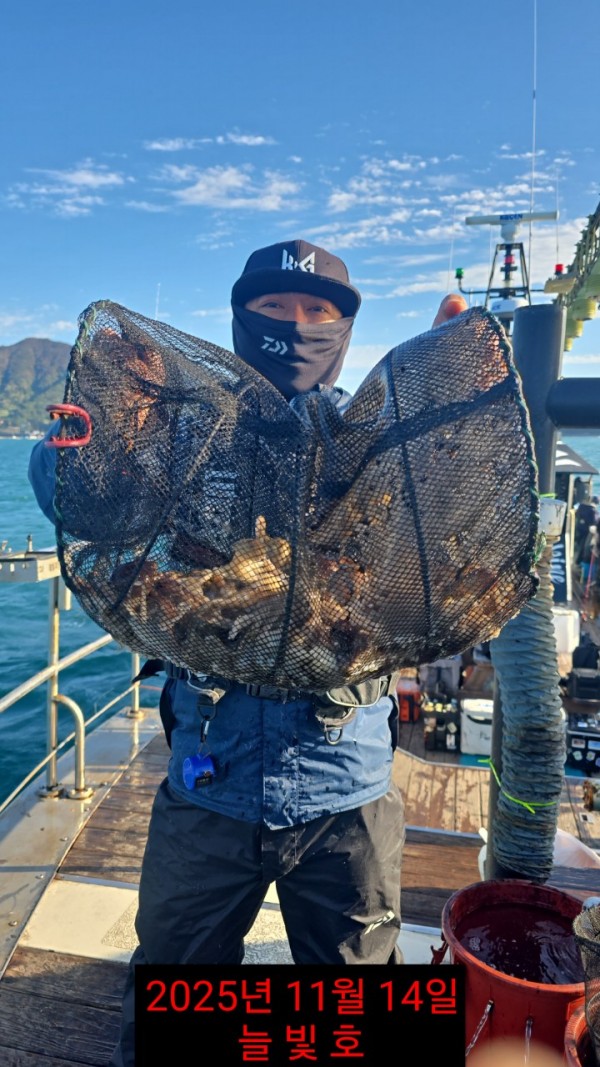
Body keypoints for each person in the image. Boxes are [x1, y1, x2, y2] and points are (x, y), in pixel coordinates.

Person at [28, 239, 467, 1067]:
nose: (294, 326)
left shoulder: (375, 440)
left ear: (343, 328)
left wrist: (455, 412)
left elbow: (445, 532)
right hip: (209, 781)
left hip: (347, 788)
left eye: (316, 312)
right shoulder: (190, 432)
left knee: (356, 1010)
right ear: (240, 319)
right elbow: (80, 496)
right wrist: (82, 445)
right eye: (273, 309)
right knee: (172, 986)